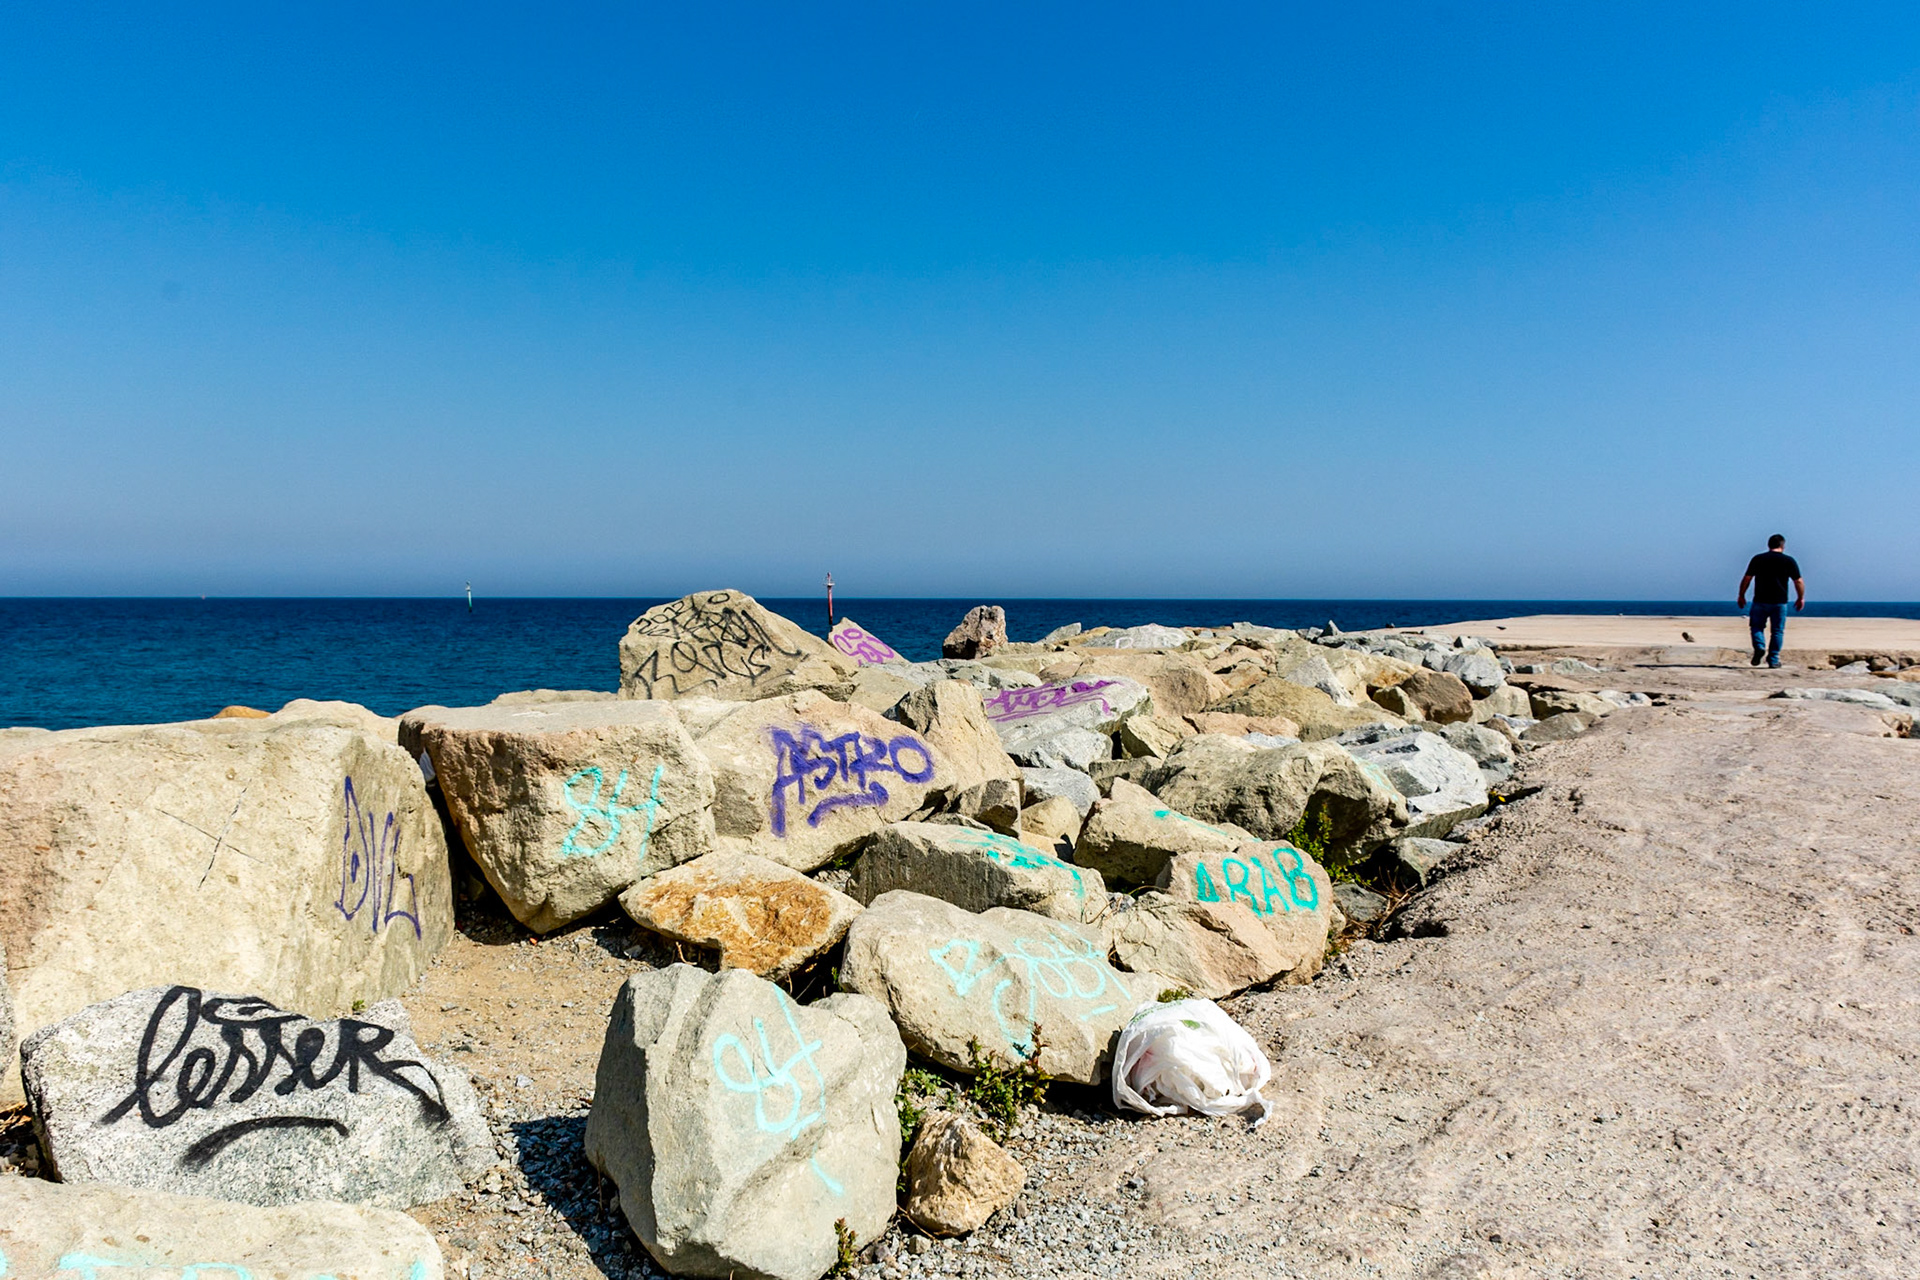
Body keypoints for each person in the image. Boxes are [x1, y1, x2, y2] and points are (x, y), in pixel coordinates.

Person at [1737, 534, 1804, 668]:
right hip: (1780, 601)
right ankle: (1773, 660)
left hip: (1760, 600)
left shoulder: (1758, 559)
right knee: (1777, 631)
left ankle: (1759, 647)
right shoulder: (1789, 561)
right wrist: (1800, 597)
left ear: (1769, 545)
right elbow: (1798, 581)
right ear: (1782, 546)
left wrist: (1741, 595)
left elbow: (1747, 578)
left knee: (1756, 627)